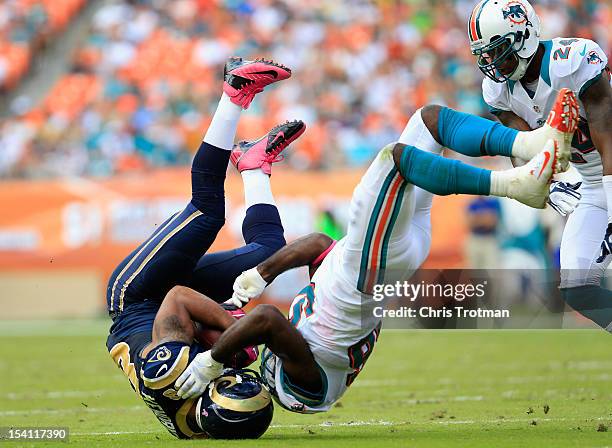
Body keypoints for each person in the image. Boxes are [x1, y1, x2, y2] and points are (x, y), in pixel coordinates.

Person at [173, 89, 577, 412]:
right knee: (395, 160)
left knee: (428, 121)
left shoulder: (316, 335)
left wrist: (261, 274)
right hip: (368, 268)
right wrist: (211, 361)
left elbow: (315, 245)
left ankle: (532, 141)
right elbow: (265, 320)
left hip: (381, 258)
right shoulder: (307, 386)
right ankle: (517, 184)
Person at [106, 56, 305, 437]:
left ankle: (234, 93)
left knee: (207, 211)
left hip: (138, 296)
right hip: (175, 308)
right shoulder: (195, 427)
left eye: (231, 383)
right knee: (270, 251)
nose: (236, 377)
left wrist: (229, 326)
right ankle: (253, 165)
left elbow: (179, 298)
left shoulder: (168, 373)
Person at [468, 0, 612, 331]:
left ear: (523, 35)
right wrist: (551, 185)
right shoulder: (498, 89)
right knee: (578, 288)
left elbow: (608, 132)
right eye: (485, 55)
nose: (492, 62)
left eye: (497, 49)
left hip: (608, 176)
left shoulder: (572, 60)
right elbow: (522, 148)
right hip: (591, 184)